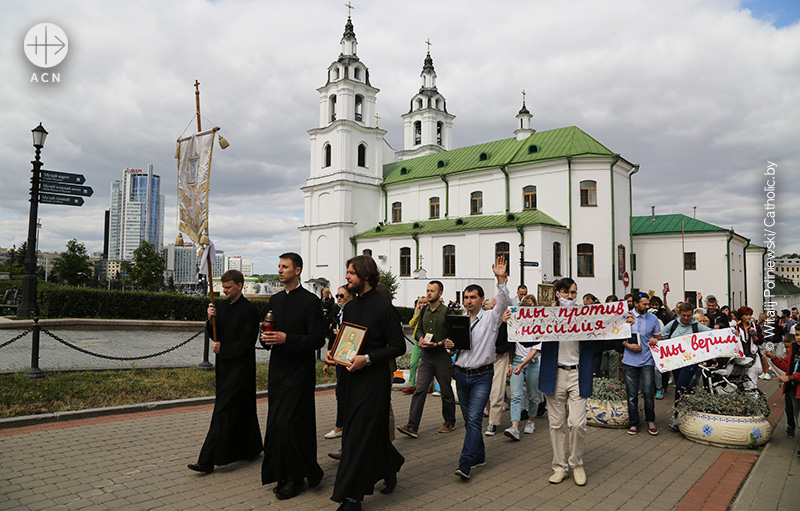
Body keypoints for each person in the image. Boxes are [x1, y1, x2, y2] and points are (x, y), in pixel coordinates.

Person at [327, 255, 405, 510]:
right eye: (347, 272)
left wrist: (368, 359)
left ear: (366, 276)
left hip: (373, 381)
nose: (347, 277)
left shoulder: (384, 308)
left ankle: (352, 498)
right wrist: (334, 354)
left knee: (357, 437)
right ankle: (390, 463)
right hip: (350, 379)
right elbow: (346, 341)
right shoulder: (349, 307)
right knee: (363, 433)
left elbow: (398, 346)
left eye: (351, 272)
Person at [538, 278, 630, 486]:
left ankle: (576, 464)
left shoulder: (585, 317)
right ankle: (559, 467)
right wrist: (512, 322)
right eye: (567, 293)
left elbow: (604, 339)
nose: (571, 297)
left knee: (578, 423)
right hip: (554, 374)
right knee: (556, 424)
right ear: (558, 293)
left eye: (574, 293)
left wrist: (623, 327)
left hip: (579, 374)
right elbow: (527, 337)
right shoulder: (547, 316)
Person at [260, 253, 327, 500]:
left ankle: (298, 477)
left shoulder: (310, 302)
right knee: (277, 424)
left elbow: (318, 339)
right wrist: (265, 339)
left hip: (300, 371)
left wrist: (288, 339)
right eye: (278, 266)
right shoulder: (275, 299)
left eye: (285, 266)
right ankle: (282, 473)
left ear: (297, 270)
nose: (280, 270)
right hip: (278, 369)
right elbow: (268, 330)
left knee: (292, 423)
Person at [188, 269, 262, 474]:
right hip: (224, 366)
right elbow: (215, 334)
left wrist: (224, 349)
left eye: (228, 287)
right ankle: (252, 447)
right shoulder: (222, 306)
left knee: (222, 410)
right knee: (243, 407)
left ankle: (207, 459)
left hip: (241, 367)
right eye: (223, 287)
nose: (225, 290)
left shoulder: (249, 310)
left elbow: (247, 343)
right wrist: (209, 319)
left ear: (240, 285)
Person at [444, 256, 511, 480]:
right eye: (466, 297)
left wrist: (500, 279)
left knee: (473, 420)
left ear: (482, 299)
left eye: (473, 297)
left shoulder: (491, 318)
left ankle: (465, 463)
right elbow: (455, 350)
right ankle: (480, 455)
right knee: (470, 421)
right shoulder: (459, 320)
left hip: (483, 375)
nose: (469, 301)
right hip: (461, 375)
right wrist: (449, 346)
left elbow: (503, 302)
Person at [397, 281, 456, 438]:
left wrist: (438, 343)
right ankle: (412, 426)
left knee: (445, 390)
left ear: (440, 293)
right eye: (428, 290)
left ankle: (449, 422)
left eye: (432, 291)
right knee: (420, 389)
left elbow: (453, 335)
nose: (429, 293)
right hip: (426, 356)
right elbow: (419, 330)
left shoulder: (447, 312)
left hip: (441, 356)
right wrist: (420, 338)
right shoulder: (424, 311)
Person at [662, 302, 712, 430]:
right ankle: (688, 414)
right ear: (679, 314)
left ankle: (677, 417)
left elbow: (713, 333)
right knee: (684, 390)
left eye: (688, 316)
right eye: (683, 315)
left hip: (690, 363)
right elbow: (661, 335)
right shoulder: (673, 324)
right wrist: (655, 340)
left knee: (679, 388)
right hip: (675, 362)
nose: (685, 318)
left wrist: (731, 333)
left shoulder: (696, 326)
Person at [622, 294, 663, 435]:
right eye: (645, 304)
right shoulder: (625, 316)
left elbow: (659, 337)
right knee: (632, 394)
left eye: (648, 304)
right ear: (636, 304)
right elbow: (617, 335)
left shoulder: (653, 319)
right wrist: (628, 345)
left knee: (648, 392)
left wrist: (654, 340)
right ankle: (634, 423)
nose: (648, 307)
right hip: (629, 361)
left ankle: (650, 420)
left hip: (647, 360)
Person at [503, 294, 541, 440]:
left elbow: (535, 350)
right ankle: (514, 426)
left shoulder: (537, 327)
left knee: (532, 394)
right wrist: (511, 363)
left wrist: (522, 364)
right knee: (516, 395)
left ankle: (531, 420)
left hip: (531, 363)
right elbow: (511, 346)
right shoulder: (515, 327)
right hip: (518, 361)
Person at [764, 325, 800, 458]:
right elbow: (786, 366)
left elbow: (792, 374)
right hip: (792, 389)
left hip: (797, 386)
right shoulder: (794, 349)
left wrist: (790, 377)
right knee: (796, 417)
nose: (799, 337)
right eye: (797, 334)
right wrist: (773, 358)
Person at [323, 286, 354, 440]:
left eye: (342, 295)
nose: (339, 298)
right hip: (339, 359)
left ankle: (342, 425)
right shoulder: (337, 315)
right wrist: (327, 361)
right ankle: (340, 425)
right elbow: (333, 338)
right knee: (339, 392)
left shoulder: (353, 314)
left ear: (351, 297)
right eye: (337, 295)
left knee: (347, 393)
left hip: (351, 360)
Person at [733, 306, 764, 388]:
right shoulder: (736, 328)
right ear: (741, 316)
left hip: (753, 354)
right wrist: (736, 336)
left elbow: (760, 341)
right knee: (743, 378)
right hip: (742, 356)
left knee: (752, 377)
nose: (749, 317)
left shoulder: (755, 326)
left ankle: (754, 396)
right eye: (746, 315)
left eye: (750, 315)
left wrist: (754, 335)